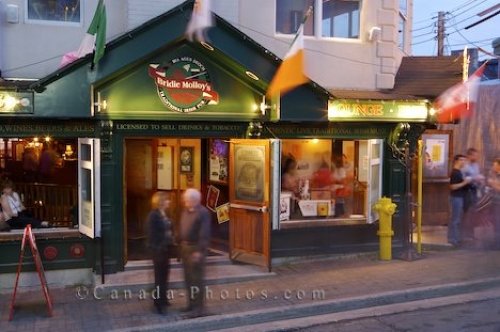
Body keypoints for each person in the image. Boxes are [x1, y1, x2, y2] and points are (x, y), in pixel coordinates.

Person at [179, 188, 211, 318]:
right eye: (185, 200)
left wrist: (199, 251)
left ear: (196, 200)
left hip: (195, 249)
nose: (185, 203)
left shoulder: (203, 213)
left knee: (196, 279)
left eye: (188, 200)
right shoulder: (186, 211)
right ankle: (191, 304)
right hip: (185, 248)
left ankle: (199, 308)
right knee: (187, 279)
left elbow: (204, 233)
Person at [147, 191, 173, 314]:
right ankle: (158, 302)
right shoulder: (153, 215)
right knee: (159, 277)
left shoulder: (164, 214)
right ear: (161, 201)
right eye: (167, 200)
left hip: (166, 249)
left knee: (165, 275)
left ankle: (164, 298)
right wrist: (157, 247)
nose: (169, 202)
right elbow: (151, 234)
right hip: (158, 251)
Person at [448, 155, 472, 247]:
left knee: (456, 218)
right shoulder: (455, 172)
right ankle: (453, 240)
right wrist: (465, 182)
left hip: (459, 197)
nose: (464, 162)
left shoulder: (459, 172)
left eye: (465, 160)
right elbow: (452, 187)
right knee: (455, 219)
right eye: (462, 160)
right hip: (456, 197)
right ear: (457, 161)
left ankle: (455, 238)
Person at [486, 158, 500, 249]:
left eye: (495, 165)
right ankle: (496, 242)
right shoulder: (494, 174)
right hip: (494, 202)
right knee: (495, 222)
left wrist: (493, 184)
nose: (493, 167)